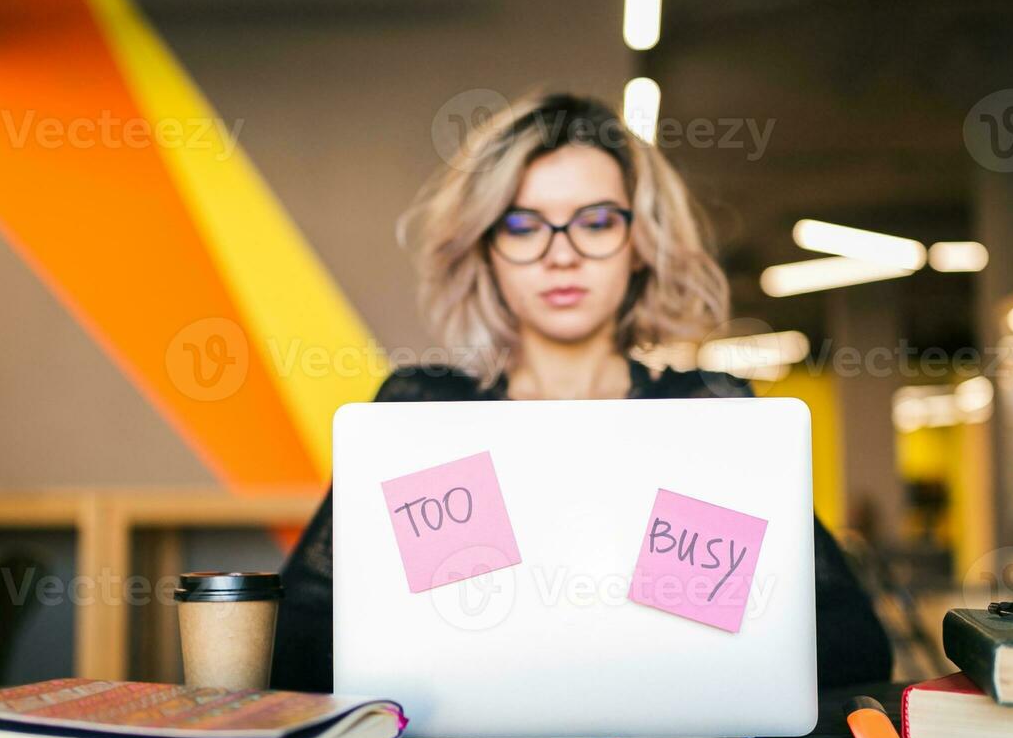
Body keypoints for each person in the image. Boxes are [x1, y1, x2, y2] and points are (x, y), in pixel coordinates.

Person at [272, 92, 892, 691]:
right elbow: (295, 641)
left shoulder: (704, 414)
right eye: (522, 225)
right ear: (487, 249)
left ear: (641, 244)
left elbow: (854, 644)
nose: (561, 255)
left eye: (596, 222)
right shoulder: (428, 415)